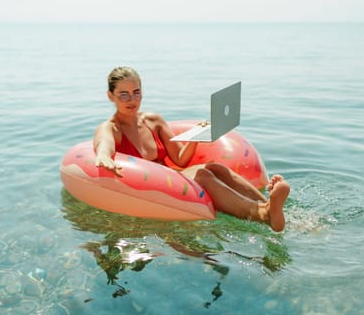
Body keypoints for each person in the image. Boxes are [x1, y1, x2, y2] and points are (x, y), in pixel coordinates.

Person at [93, 67, 290, 232]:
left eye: (136, 92)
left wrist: (197, 137)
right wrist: (103, 156)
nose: (131, 99)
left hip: (170, 176)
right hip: (149, 187)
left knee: (216, 168)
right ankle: (263, 214)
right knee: (203, 175)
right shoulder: (110, 128)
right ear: (111, 96)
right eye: (123, 94)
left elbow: (180, 160)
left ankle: (271, 206)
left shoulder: (153, 121)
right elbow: (104, 144)